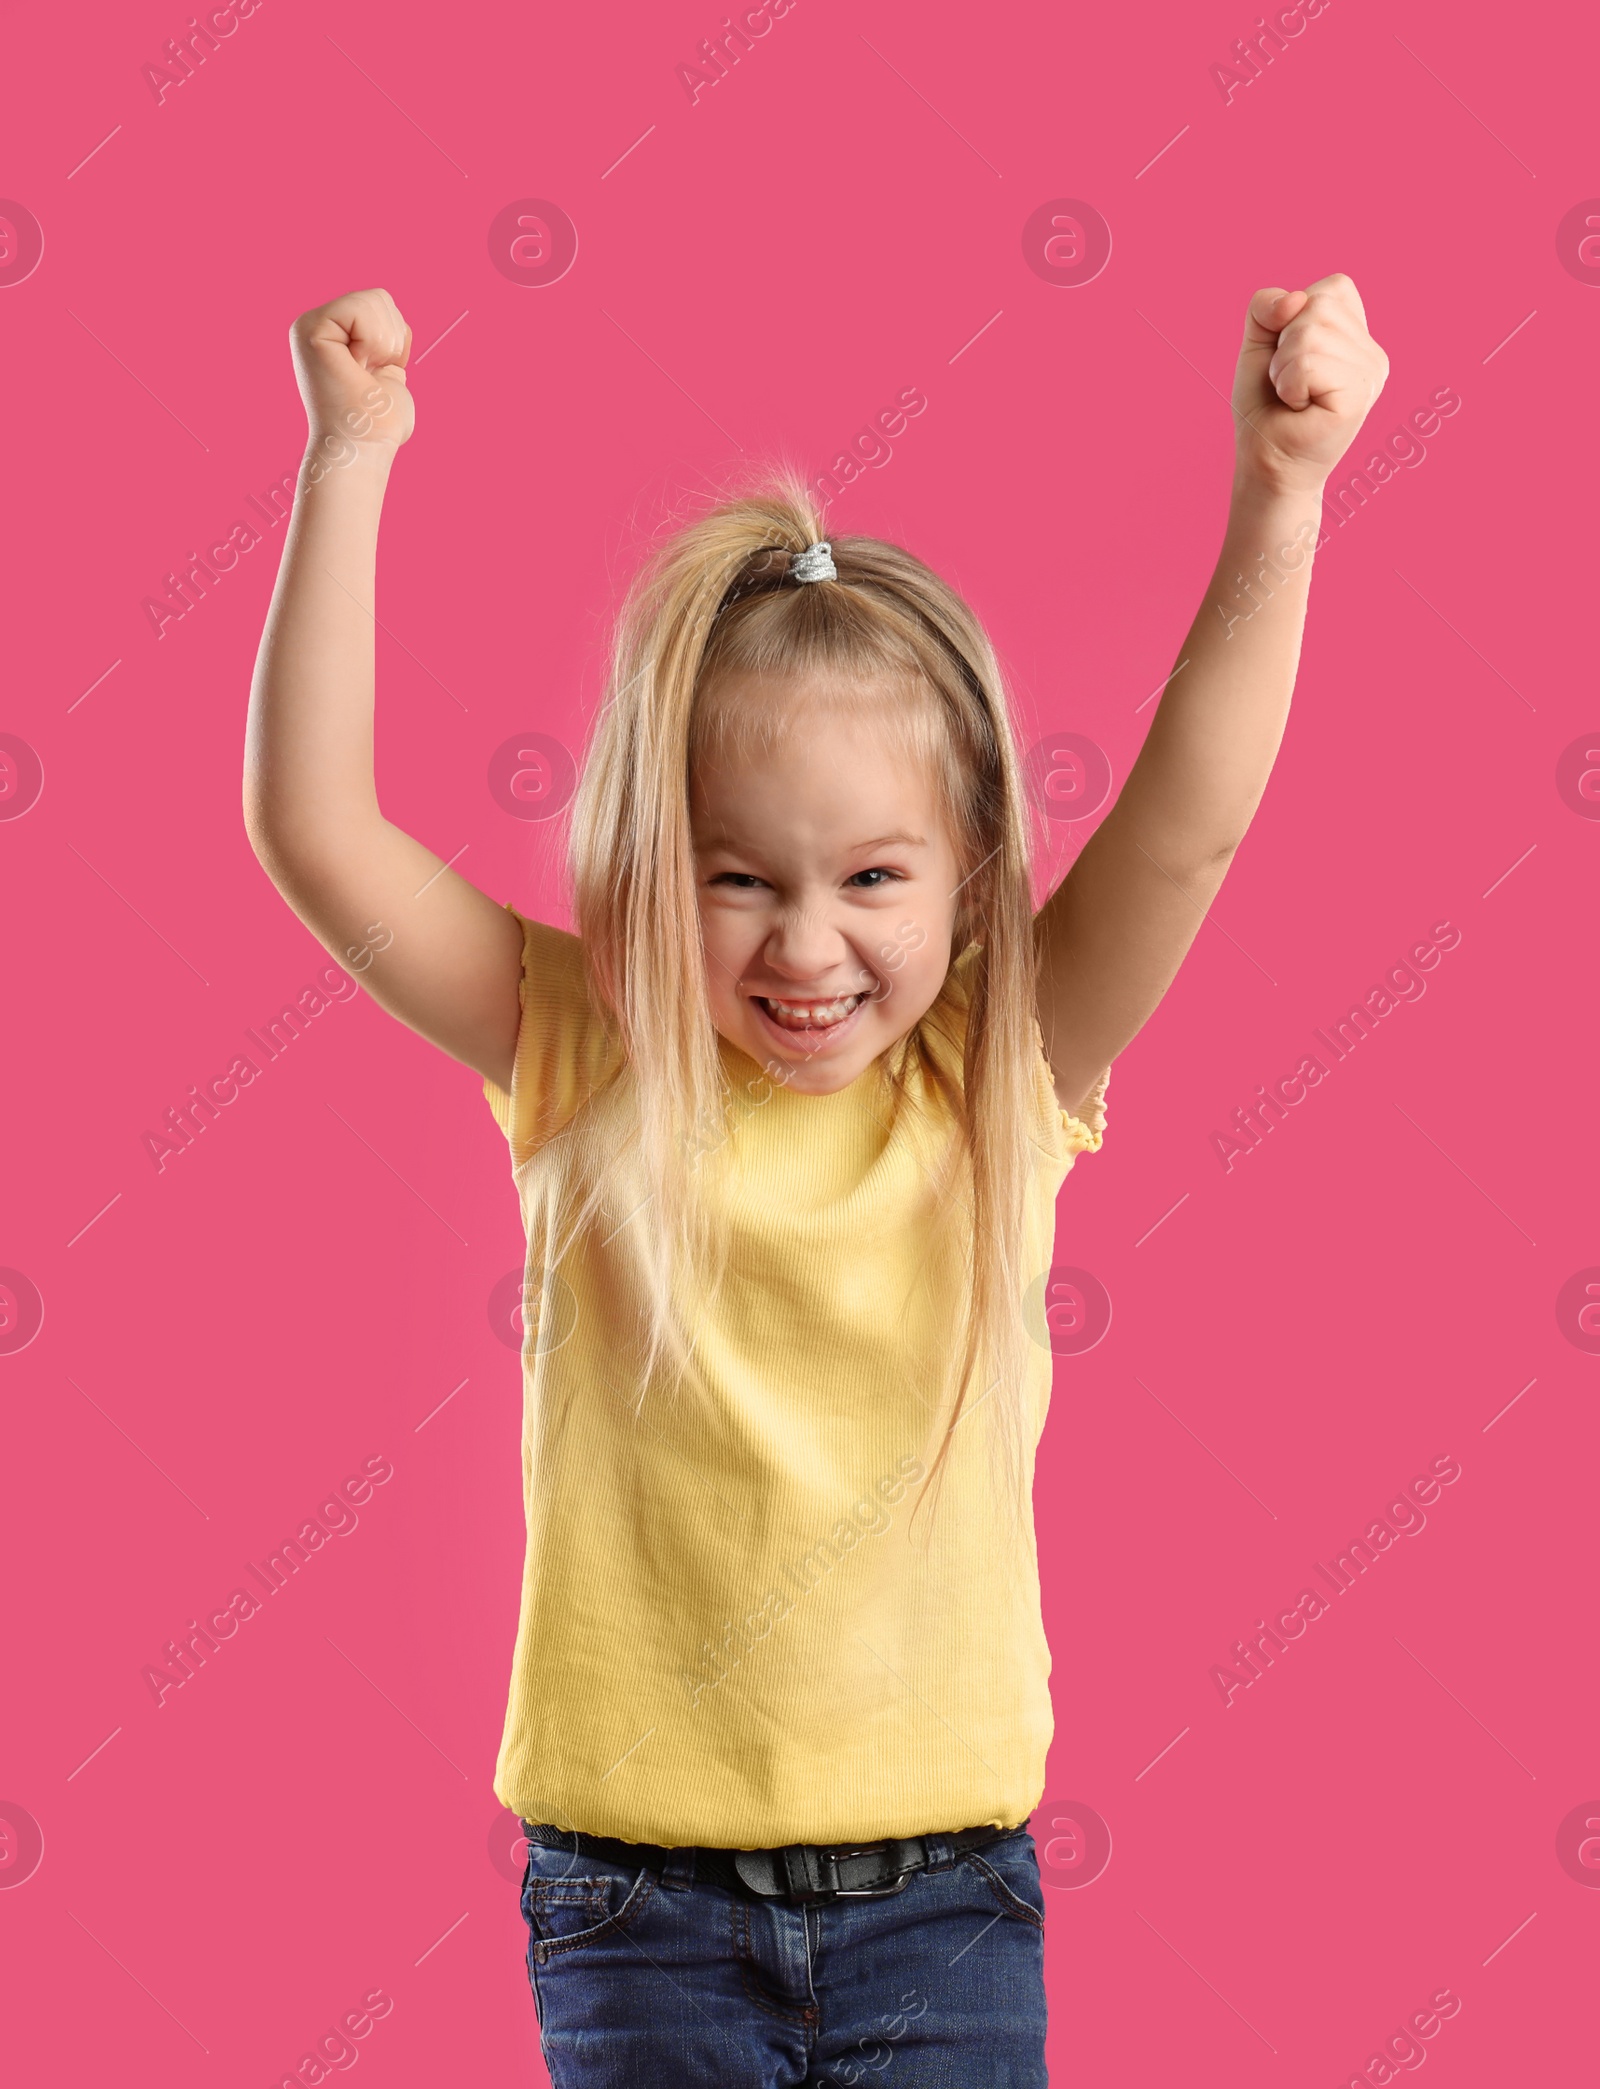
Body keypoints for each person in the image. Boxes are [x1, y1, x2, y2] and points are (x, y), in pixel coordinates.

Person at [244, 278, 1388, 2085]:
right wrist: (350, 459)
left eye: (871, 878)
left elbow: (1194, 817)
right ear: (642, 861)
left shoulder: (999, 1076)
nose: (808, 947)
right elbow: (315, 824)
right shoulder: (583, 1052)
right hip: (642, 1916)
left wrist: (1284, 495)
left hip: (945, 1911)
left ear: (973, 871)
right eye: (736, 879)